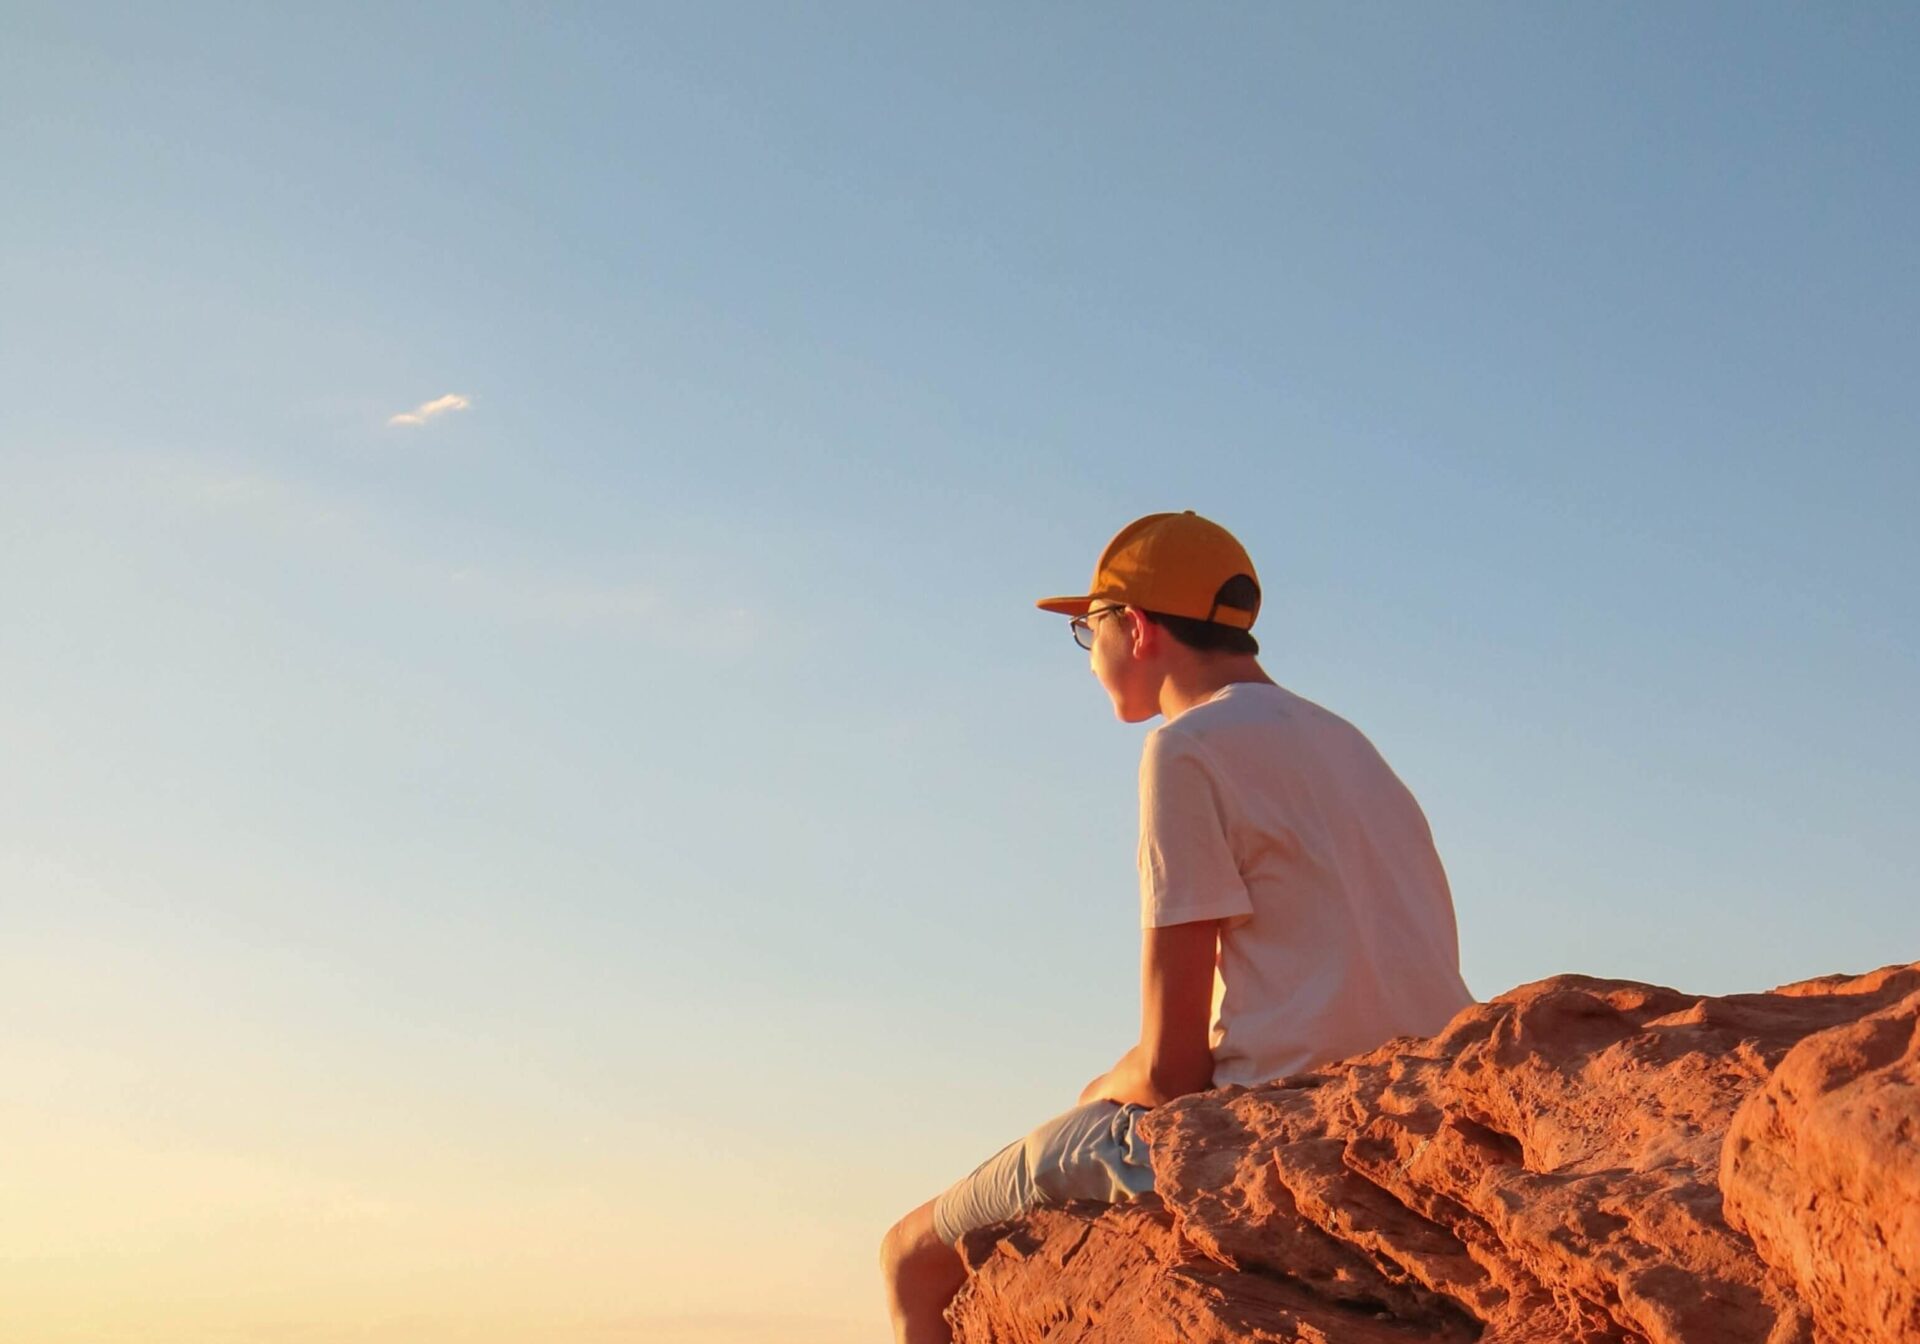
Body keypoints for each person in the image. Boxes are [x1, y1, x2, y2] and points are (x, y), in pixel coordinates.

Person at [879, 511, 1474, 1344]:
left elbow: (1172, 1071)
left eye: (1090, 630)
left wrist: (1095, 1097)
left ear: (1138, 626)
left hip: (1277, 1122)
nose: (1092, 656)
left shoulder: (1185, 749)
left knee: (910, 1256)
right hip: (1419, 1103)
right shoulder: (1352, 744)